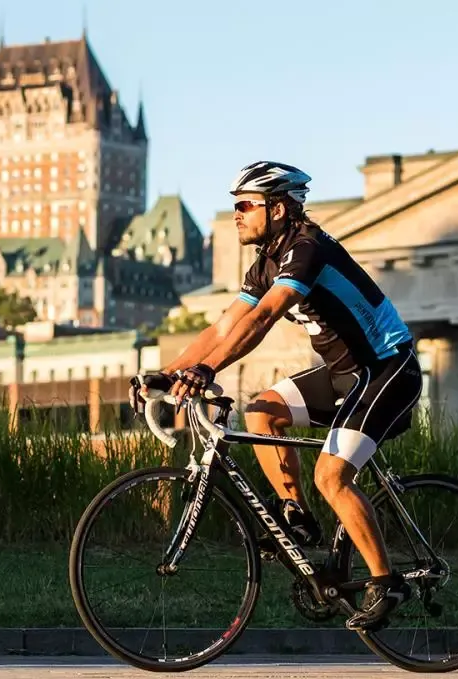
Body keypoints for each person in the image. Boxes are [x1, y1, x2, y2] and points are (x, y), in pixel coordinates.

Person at [133, 160, 423, 631]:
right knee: (262, 412)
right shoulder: (268, 261)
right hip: (344, 374)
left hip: (388, 370)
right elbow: (224, 325)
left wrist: (207, 369)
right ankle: (298, 516)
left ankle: (386, 581)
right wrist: (167, 373)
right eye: (235, 206)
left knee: (332, 477)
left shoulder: (307, 250)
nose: (237, 214)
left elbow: (265, 317)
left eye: (247, 204)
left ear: (281, 208)